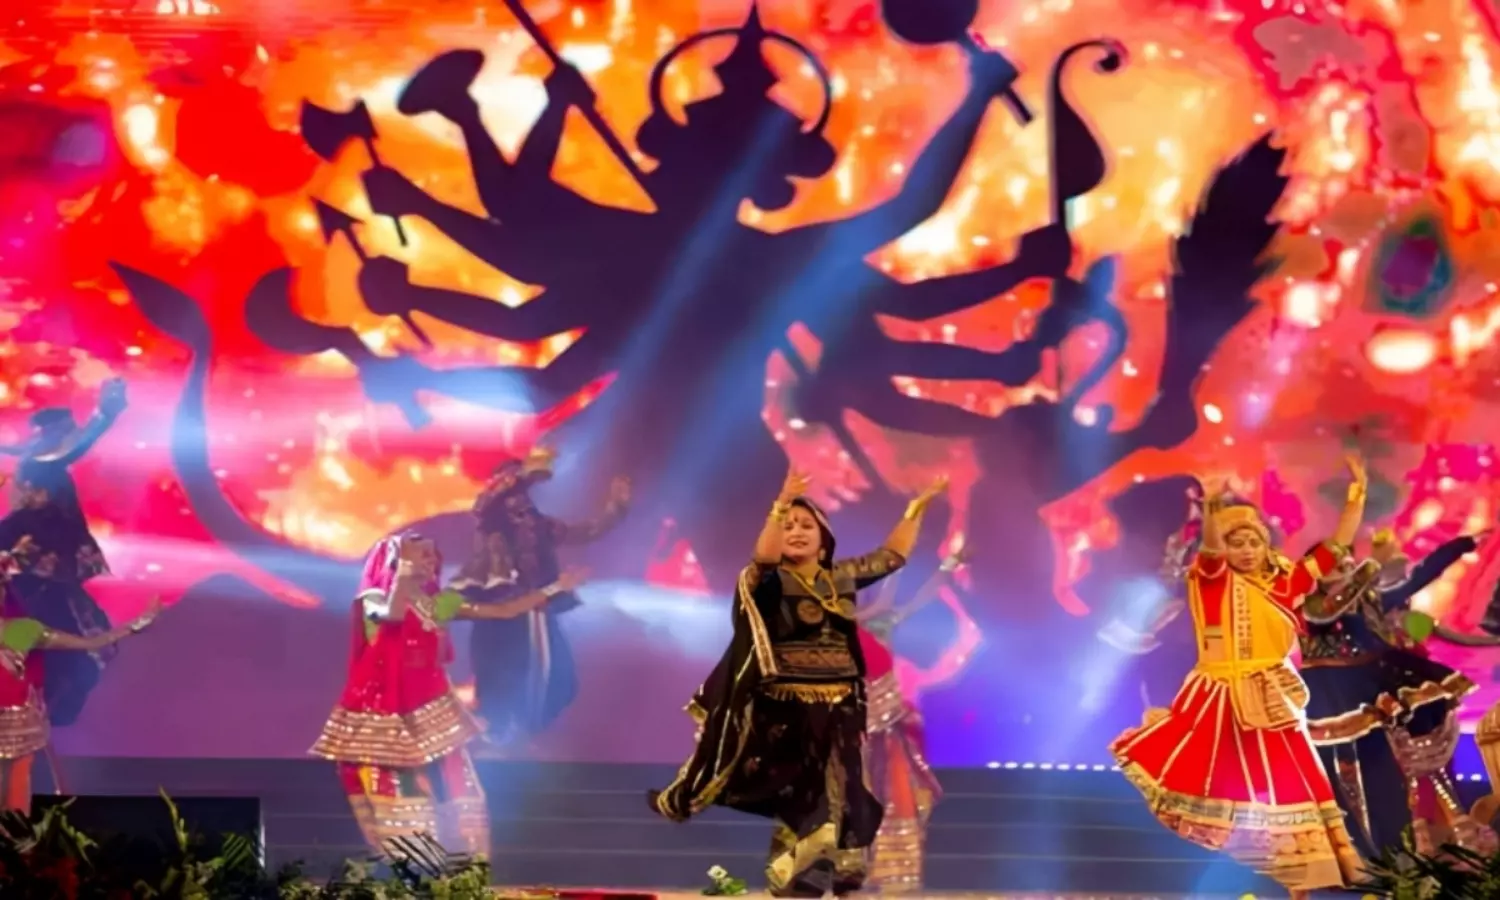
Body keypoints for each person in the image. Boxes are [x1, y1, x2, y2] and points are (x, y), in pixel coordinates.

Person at [650, 469, 947, 897]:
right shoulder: (770, 581)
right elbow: (764, 555)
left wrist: (915, 510)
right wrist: (780, 505)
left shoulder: (840, 577)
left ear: (824, 541)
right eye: (789, 526)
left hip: (842, 706)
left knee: (841, 796)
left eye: (806, 525)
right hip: (789, 708)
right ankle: (801, 874)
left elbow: (892, 555)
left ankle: (809, 875)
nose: (796, 531)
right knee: (806, 798)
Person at [1111, 456, 1370, 899]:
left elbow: (1334, 550)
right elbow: (1211, 551)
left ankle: (1301, 885)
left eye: (1253, 542)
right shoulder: (1212, 580)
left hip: (1274, 698)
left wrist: (1356, 497)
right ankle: (1240, 882)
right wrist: (1213, 505)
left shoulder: (1285, 582)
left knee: (1296, 788)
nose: (1246, 550)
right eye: (1237, 543)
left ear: (1266, 546)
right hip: (1221, 697)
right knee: (1225, 791)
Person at [312, 531, 583, 855]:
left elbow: (504, 611)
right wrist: (403, 578)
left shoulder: (439, 604)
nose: (431, 561)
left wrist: (554, 589)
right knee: (401, 798)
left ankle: (456, 869)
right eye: (421, 554)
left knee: (458, 791)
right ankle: (407, 870)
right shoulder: (372, 600)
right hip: (386, 720)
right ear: (398, 560)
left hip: (433, 716)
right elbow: (392, 618)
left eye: (432, 554)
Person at [1302, 527, 1493, 859]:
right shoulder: (1311, 605)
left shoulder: (1371, 600)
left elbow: (1418, 578)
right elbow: (1328, 611)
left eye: (1348, 563)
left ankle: (1401, 848)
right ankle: (1351, 852)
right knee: (1339, 775)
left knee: (1386, 773)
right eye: (1338, 565)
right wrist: (1366, 570)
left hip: (1370, 690)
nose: (1347, 569)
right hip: (1330, 697)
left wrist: (1461, 545)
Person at [448, 445, 629, 743]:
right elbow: (484, 503)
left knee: (559, 679)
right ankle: (497, 735)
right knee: (496, 681)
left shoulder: (539, 524)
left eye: (522, 494)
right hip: (497, 609)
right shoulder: (493, 517)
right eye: (512, 485)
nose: (520, 500)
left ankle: (529, 737)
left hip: (536, 608)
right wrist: (526, 473)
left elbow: (587, 531)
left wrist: (616, 509)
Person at [0, 378, 127, 728]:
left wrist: (104, 417)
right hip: (37, 566)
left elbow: (70, 449)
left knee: (74, 648)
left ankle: (49, 706)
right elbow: (71, 448)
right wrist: (104, 416)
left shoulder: (42, 463)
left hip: (46, 566)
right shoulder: (41, 461)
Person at [0, 537, 159, 813]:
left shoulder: (23, 630)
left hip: (18, 728)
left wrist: (134, 625)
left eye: (1, 586)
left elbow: (90, 643)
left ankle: (15, 840)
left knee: (16, 798)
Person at [858, 548, 970, 893]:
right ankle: (856, 865)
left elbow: (926, 592)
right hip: (855, 706)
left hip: (889, 704)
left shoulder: (887, 616)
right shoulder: (842, 618)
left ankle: (893, 868)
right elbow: (879, 603)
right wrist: (893, 570)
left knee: (896, 781)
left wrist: (950, 564)